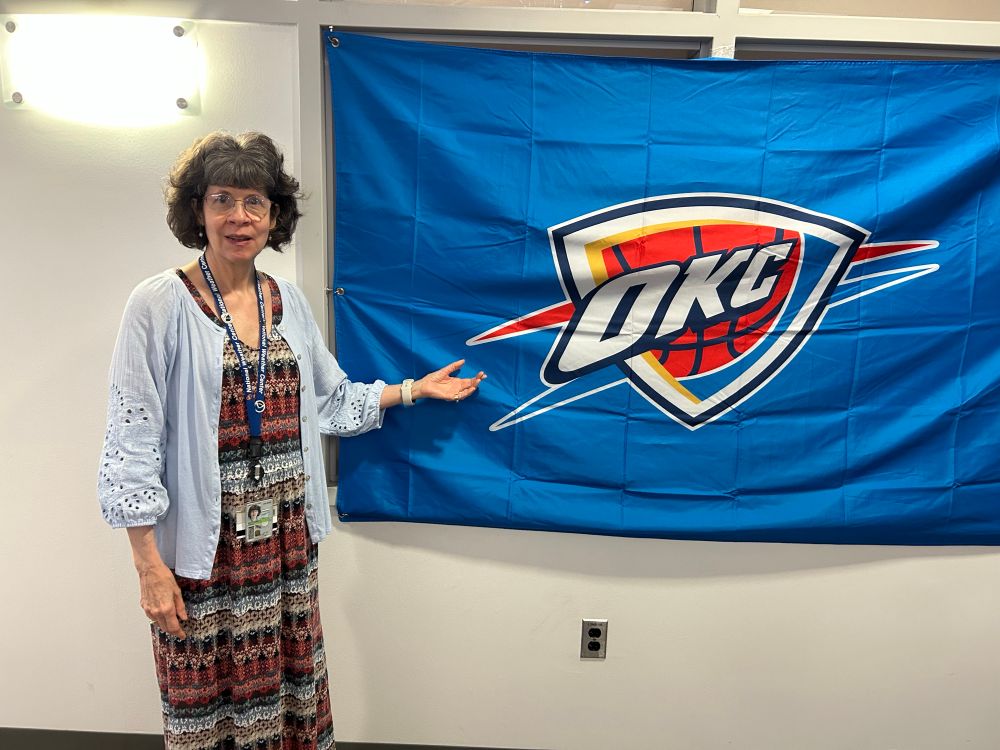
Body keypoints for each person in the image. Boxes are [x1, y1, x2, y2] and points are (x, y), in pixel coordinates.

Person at [97, 131, 485, 750]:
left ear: (274, 216)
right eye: (222, 199)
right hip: (205, 554)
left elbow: (329, 400)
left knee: (290, 701)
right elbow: (131, 440)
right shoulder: (158, 303)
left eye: (254, 201)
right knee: (206, 710)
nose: (238, 217)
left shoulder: (287, 301)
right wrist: (148, 567)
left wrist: (412, 391)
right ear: (197, 210)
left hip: (283, 544)